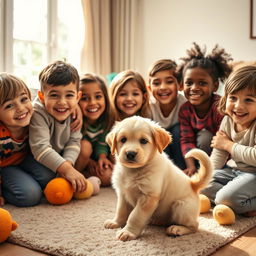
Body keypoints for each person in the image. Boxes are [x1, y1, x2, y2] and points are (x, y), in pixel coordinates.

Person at [202, 65, 256, 217]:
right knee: (200, 183)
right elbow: (218, 153)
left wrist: (229, 145)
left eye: (249, 100)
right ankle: (241, 204)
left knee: (224, 198)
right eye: (233, 98)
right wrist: (205, 175)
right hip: (235, 172)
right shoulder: (227, 120)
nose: (239, 106)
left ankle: (233, 202)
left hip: (254, 174)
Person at [29, 60, 87, 193]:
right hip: (32, 157)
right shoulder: (37, 112)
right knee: (45, 179)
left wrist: (68, 165)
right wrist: (67, 170)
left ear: (78, 97)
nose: (62, 102)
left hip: (57, 154)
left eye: (69, 95)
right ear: (42, 96)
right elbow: (40, 148)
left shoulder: (73, 111)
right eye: (54, 95)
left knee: (61, 173)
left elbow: (74, 141)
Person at [0, 73, 55, 207]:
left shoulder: (34, 117)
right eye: (9, 106)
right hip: (3, 167)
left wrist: (76, 108)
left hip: (24, 160)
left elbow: (52, 106)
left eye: (24, 99)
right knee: (30, 195)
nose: (20, 108)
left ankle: (24, 180)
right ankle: (8, 191)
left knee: (50, 175)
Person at [178, 42, 233, 176]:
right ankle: (199, 170)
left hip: (224, 154)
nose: (194, 88)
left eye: (202, 83)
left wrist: (212, 170)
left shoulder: (220, 107)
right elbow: (187, 140)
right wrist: (190, 167)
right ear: (182, 85)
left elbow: (226, 141)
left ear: (214, 86)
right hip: (201, 155)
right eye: (189, 83)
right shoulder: (185, 110)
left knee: (205, 137)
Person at [75, 73, 115, 186]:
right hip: (76, 158)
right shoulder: (75, 120)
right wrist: (87, 161)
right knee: (85, 146)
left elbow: (102, 142)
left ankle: (85, 178)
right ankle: (73, 178)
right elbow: (73, 147)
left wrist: (101, 157)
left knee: (107, 177)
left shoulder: (107, 119)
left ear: (105, 98)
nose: (92, 103)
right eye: (85, 98)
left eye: (98, 97)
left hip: (94, 157)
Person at [148, 59, 187, 169]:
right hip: (160, 146)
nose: (163, 87)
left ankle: (181, 170)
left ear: (179, 85)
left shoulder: (184, 104)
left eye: (169, 81)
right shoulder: (149, 107)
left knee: (177, 130)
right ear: (149, 88)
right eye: (156, 83)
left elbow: (188, 135)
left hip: (179, 144)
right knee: (158, 135)